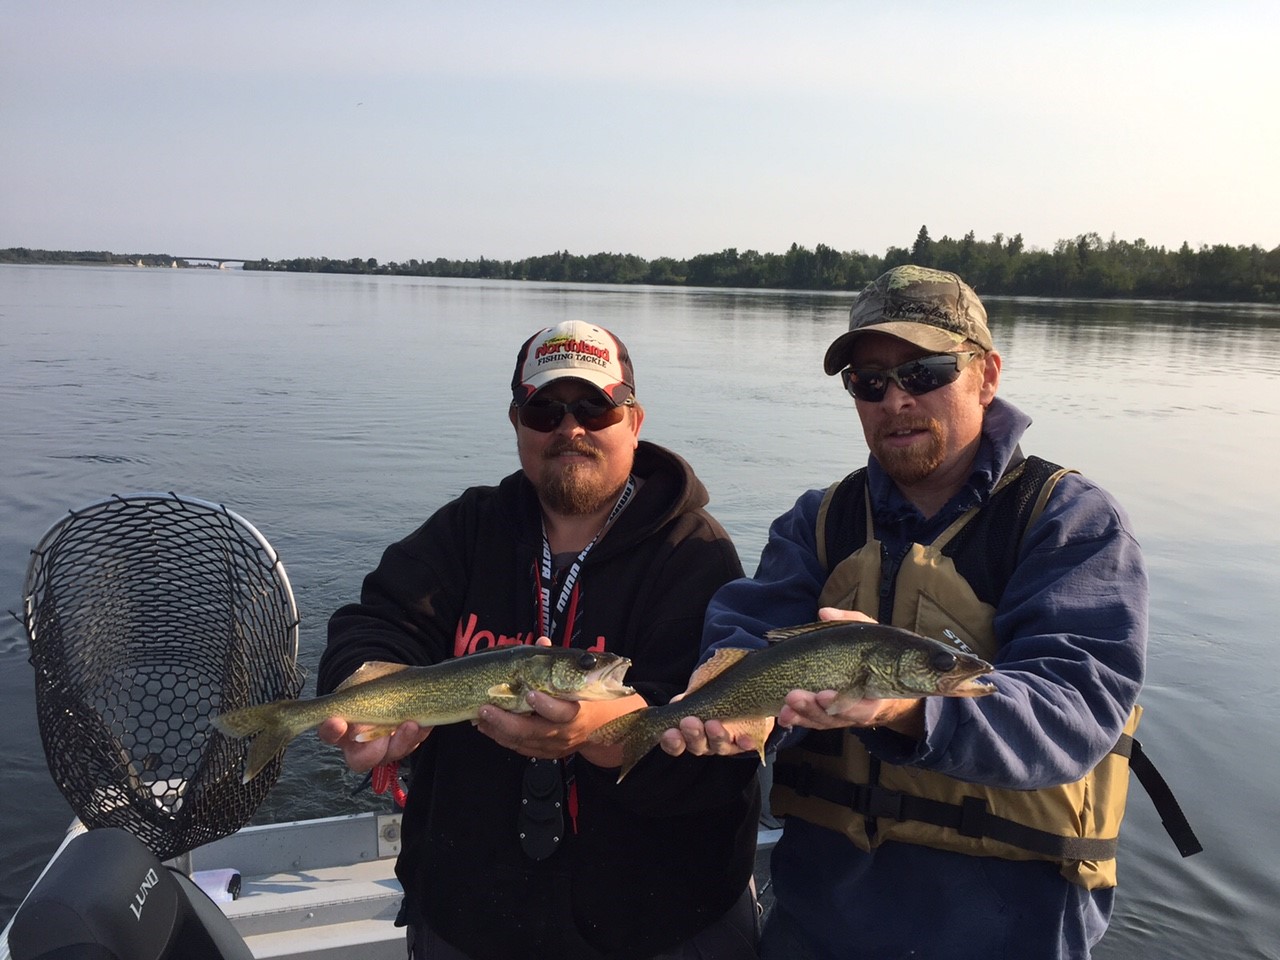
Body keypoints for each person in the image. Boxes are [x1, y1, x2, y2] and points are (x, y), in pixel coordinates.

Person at [663, 265, 1148, 960]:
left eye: (925, 373)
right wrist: (736, 707)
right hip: (819, 922)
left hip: (1011, 930)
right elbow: (749, 634)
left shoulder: (1069, 522)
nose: (895, 400)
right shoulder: (818, 522)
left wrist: (906, 708)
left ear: (987, 374)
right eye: (869, 381)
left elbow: (1077, 705)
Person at [316, 320, 761, 960]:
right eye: (544, 410)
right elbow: (376, 619)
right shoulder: (468, 528)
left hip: (660, 926)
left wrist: (609, 737)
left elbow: (722, 749)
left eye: (595, 407)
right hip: (469, 919)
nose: (569, 428)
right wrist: (367, 687)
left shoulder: (695, 554)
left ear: (633, 421)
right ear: (517, 423)